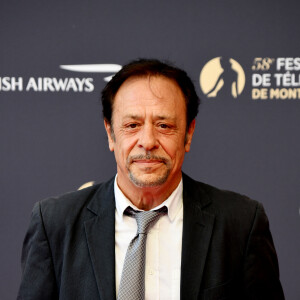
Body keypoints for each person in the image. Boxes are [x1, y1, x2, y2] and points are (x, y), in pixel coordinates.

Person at [17, 59, 284, 300]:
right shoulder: (54, 223)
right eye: (132, 125)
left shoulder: (240, 223)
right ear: (110, 134)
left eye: (164, 126)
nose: (147, 142)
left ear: (188, 134)